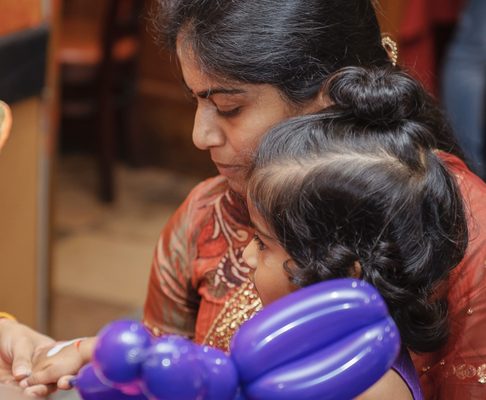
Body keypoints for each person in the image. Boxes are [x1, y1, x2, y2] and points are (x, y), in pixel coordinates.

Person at [23, 0, 486, 398]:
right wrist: (105, 363)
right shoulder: (204, 215)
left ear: (328, 100)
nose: (199, 135)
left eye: (228, 108)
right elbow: (173, 370)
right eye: (194, 102)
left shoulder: (464, 237)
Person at [241, 66, 468, 400]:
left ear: (342, 275)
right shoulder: (298, 341)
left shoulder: (373, 389)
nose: (246, 255)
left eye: (262, 243)